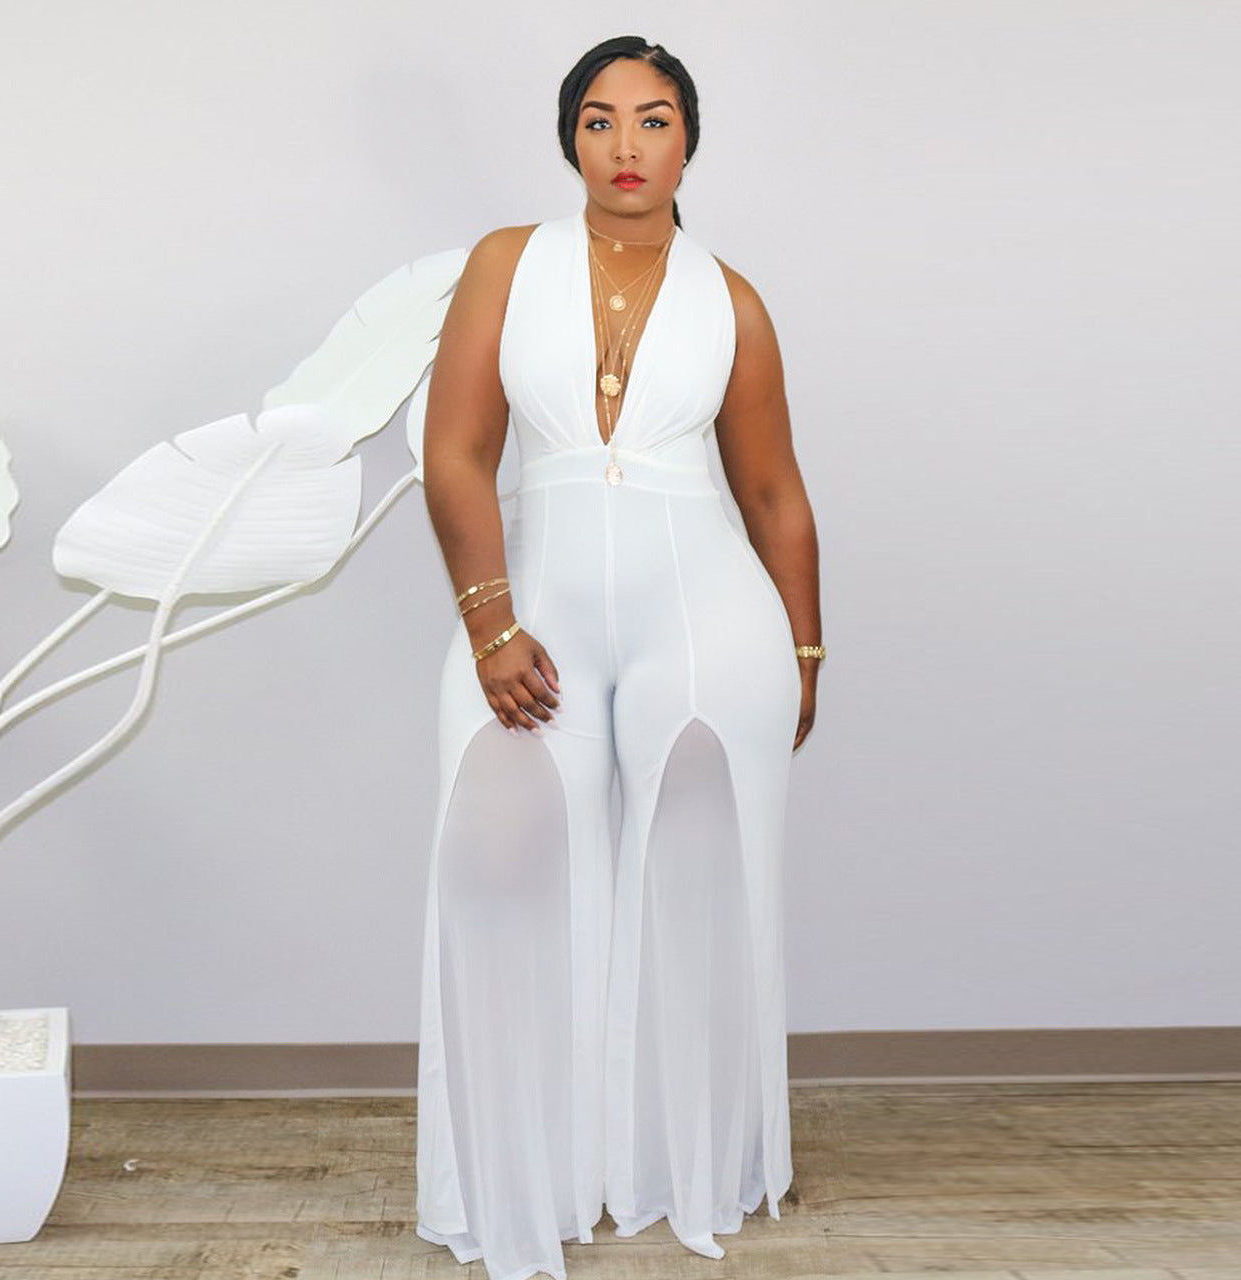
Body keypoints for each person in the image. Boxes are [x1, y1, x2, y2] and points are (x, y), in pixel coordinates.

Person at [414, 34, 823, 1280]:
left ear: (687, 140)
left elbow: (772, 492)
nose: (625, 145)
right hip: (531, 616)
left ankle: (672, 1164)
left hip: (707, 622)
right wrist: (491, 625)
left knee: (696, 892)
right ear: (570, 140)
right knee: (496, 863)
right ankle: (523, 1176)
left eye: (652, 120)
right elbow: (453, 453)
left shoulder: (731, 300)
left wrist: (804, 649)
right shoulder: (505, 263)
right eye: (599, 120)